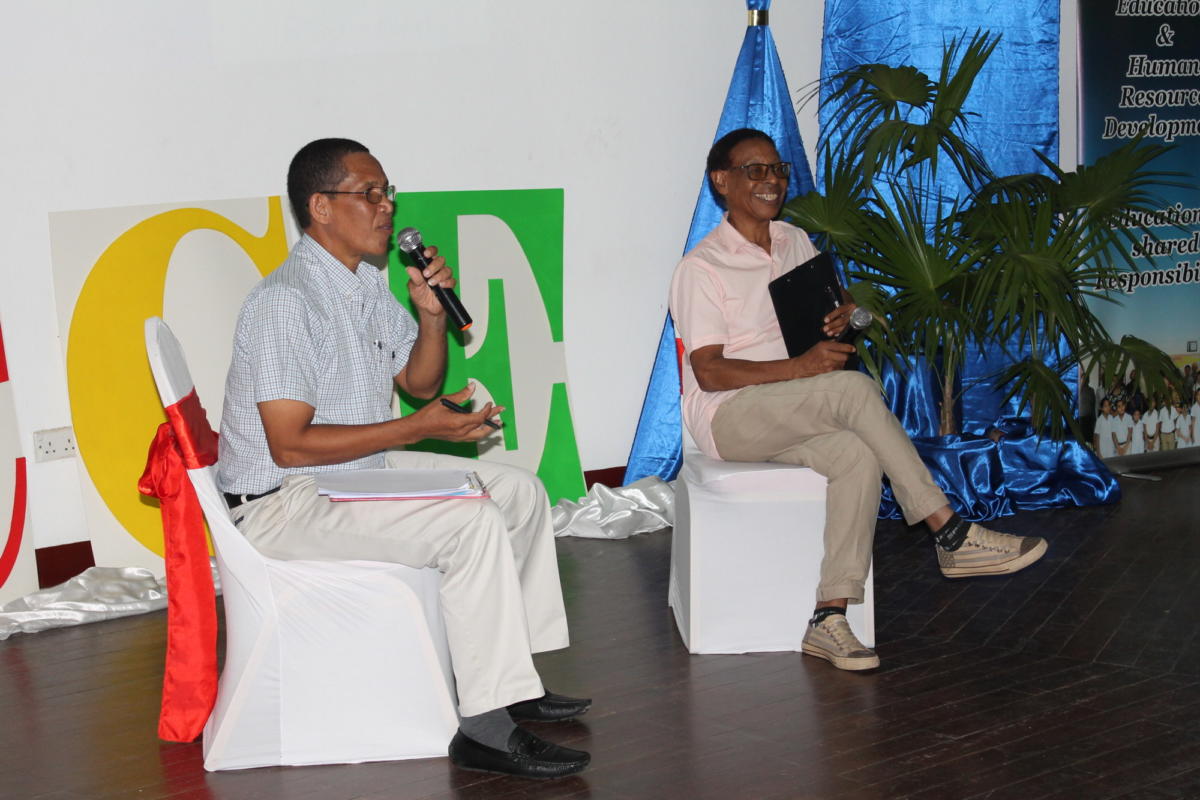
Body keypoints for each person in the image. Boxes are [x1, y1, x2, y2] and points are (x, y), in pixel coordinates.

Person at [217, 138, 590, 779]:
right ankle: (484, 727)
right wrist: (416, 429)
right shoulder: (286, 301)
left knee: (518, 492)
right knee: (470, 520)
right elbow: (290, 444)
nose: (387, 206)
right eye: (369, 194)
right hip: (283, 502)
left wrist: (431, 317)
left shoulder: (363, 283)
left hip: (348, 476)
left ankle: (513, 680)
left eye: (387, 191)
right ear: (321, 207)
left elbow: (418, 383)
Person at [669, 128, 1048, 672]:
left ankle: (829, 616)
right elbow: (708, 372)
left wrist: (852, 315)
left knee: (858, 455)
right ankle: (950, 532)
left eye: (777, 169)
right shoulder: (702, 267)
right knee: (853, 388)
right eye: (754, 170)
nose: (771, 180)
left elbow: (843, 311)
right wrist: (800, 367)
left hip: (794, 403)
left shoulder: (795, 241)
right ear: (721, 181)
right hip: (731, 417)